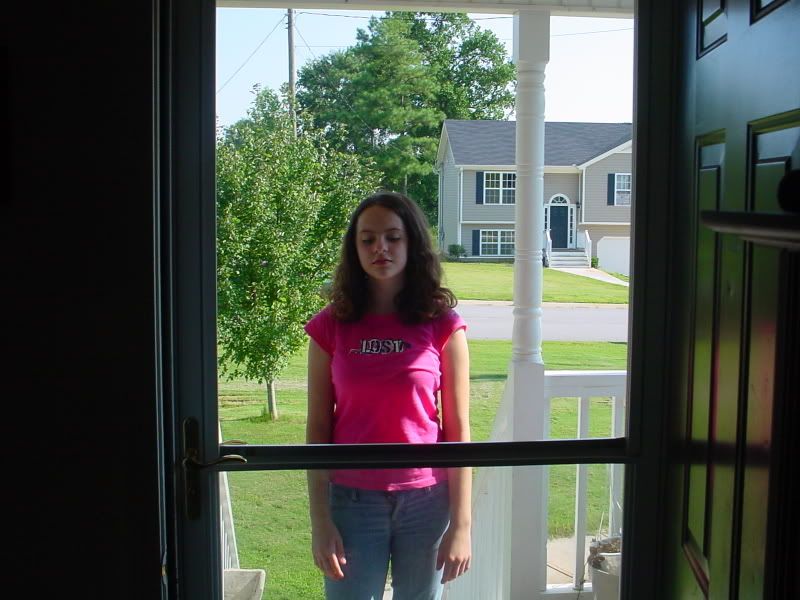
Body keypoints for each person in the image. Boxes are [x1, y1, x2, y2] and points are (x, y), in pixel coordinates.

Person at [304, 191, 472, 600]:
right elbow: (318, 427)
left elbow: (458, 428)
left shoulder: (442, 324)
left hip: (427, 501)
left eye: (393, 237)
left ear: (412, 243)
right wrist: (320, 522)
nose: (380, 247)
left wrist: (462, 525)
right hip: (351, 501)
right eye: (368, 239)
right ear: (355, 248)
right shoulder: (330, 325)